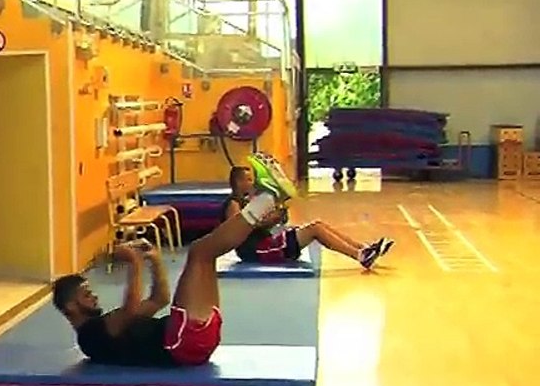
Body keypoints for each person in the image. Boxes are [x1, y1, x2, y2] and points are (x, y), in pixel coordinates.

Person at [53, 153, 297, 367]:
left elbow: (159, 300)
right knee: (200, 252)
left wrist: (154, 259)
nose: (94, 295)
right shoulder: (90, 336)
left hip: (194, 338)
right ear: (71, 307)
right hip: (183, 342)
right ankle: (267, 198)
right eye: (85, 294)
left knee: (206, 255)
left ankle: (267, 199)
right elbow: (131, 307)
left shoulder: (109, 326)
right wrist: (134, 262)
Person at [223, 165, 393, 269]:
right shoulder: (233, 204)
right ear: (238, 182)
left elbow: (257, 224)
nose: (252, 183)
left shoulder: (246, 202)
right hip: (258, 251)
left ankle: (363, 248)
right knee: (315, 229)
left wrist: (276, 217)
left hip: (266, 245)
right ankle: (361, 256)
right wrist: (269, 219)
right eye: (248, 179)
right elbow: (237, 231)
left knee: (318, 224)